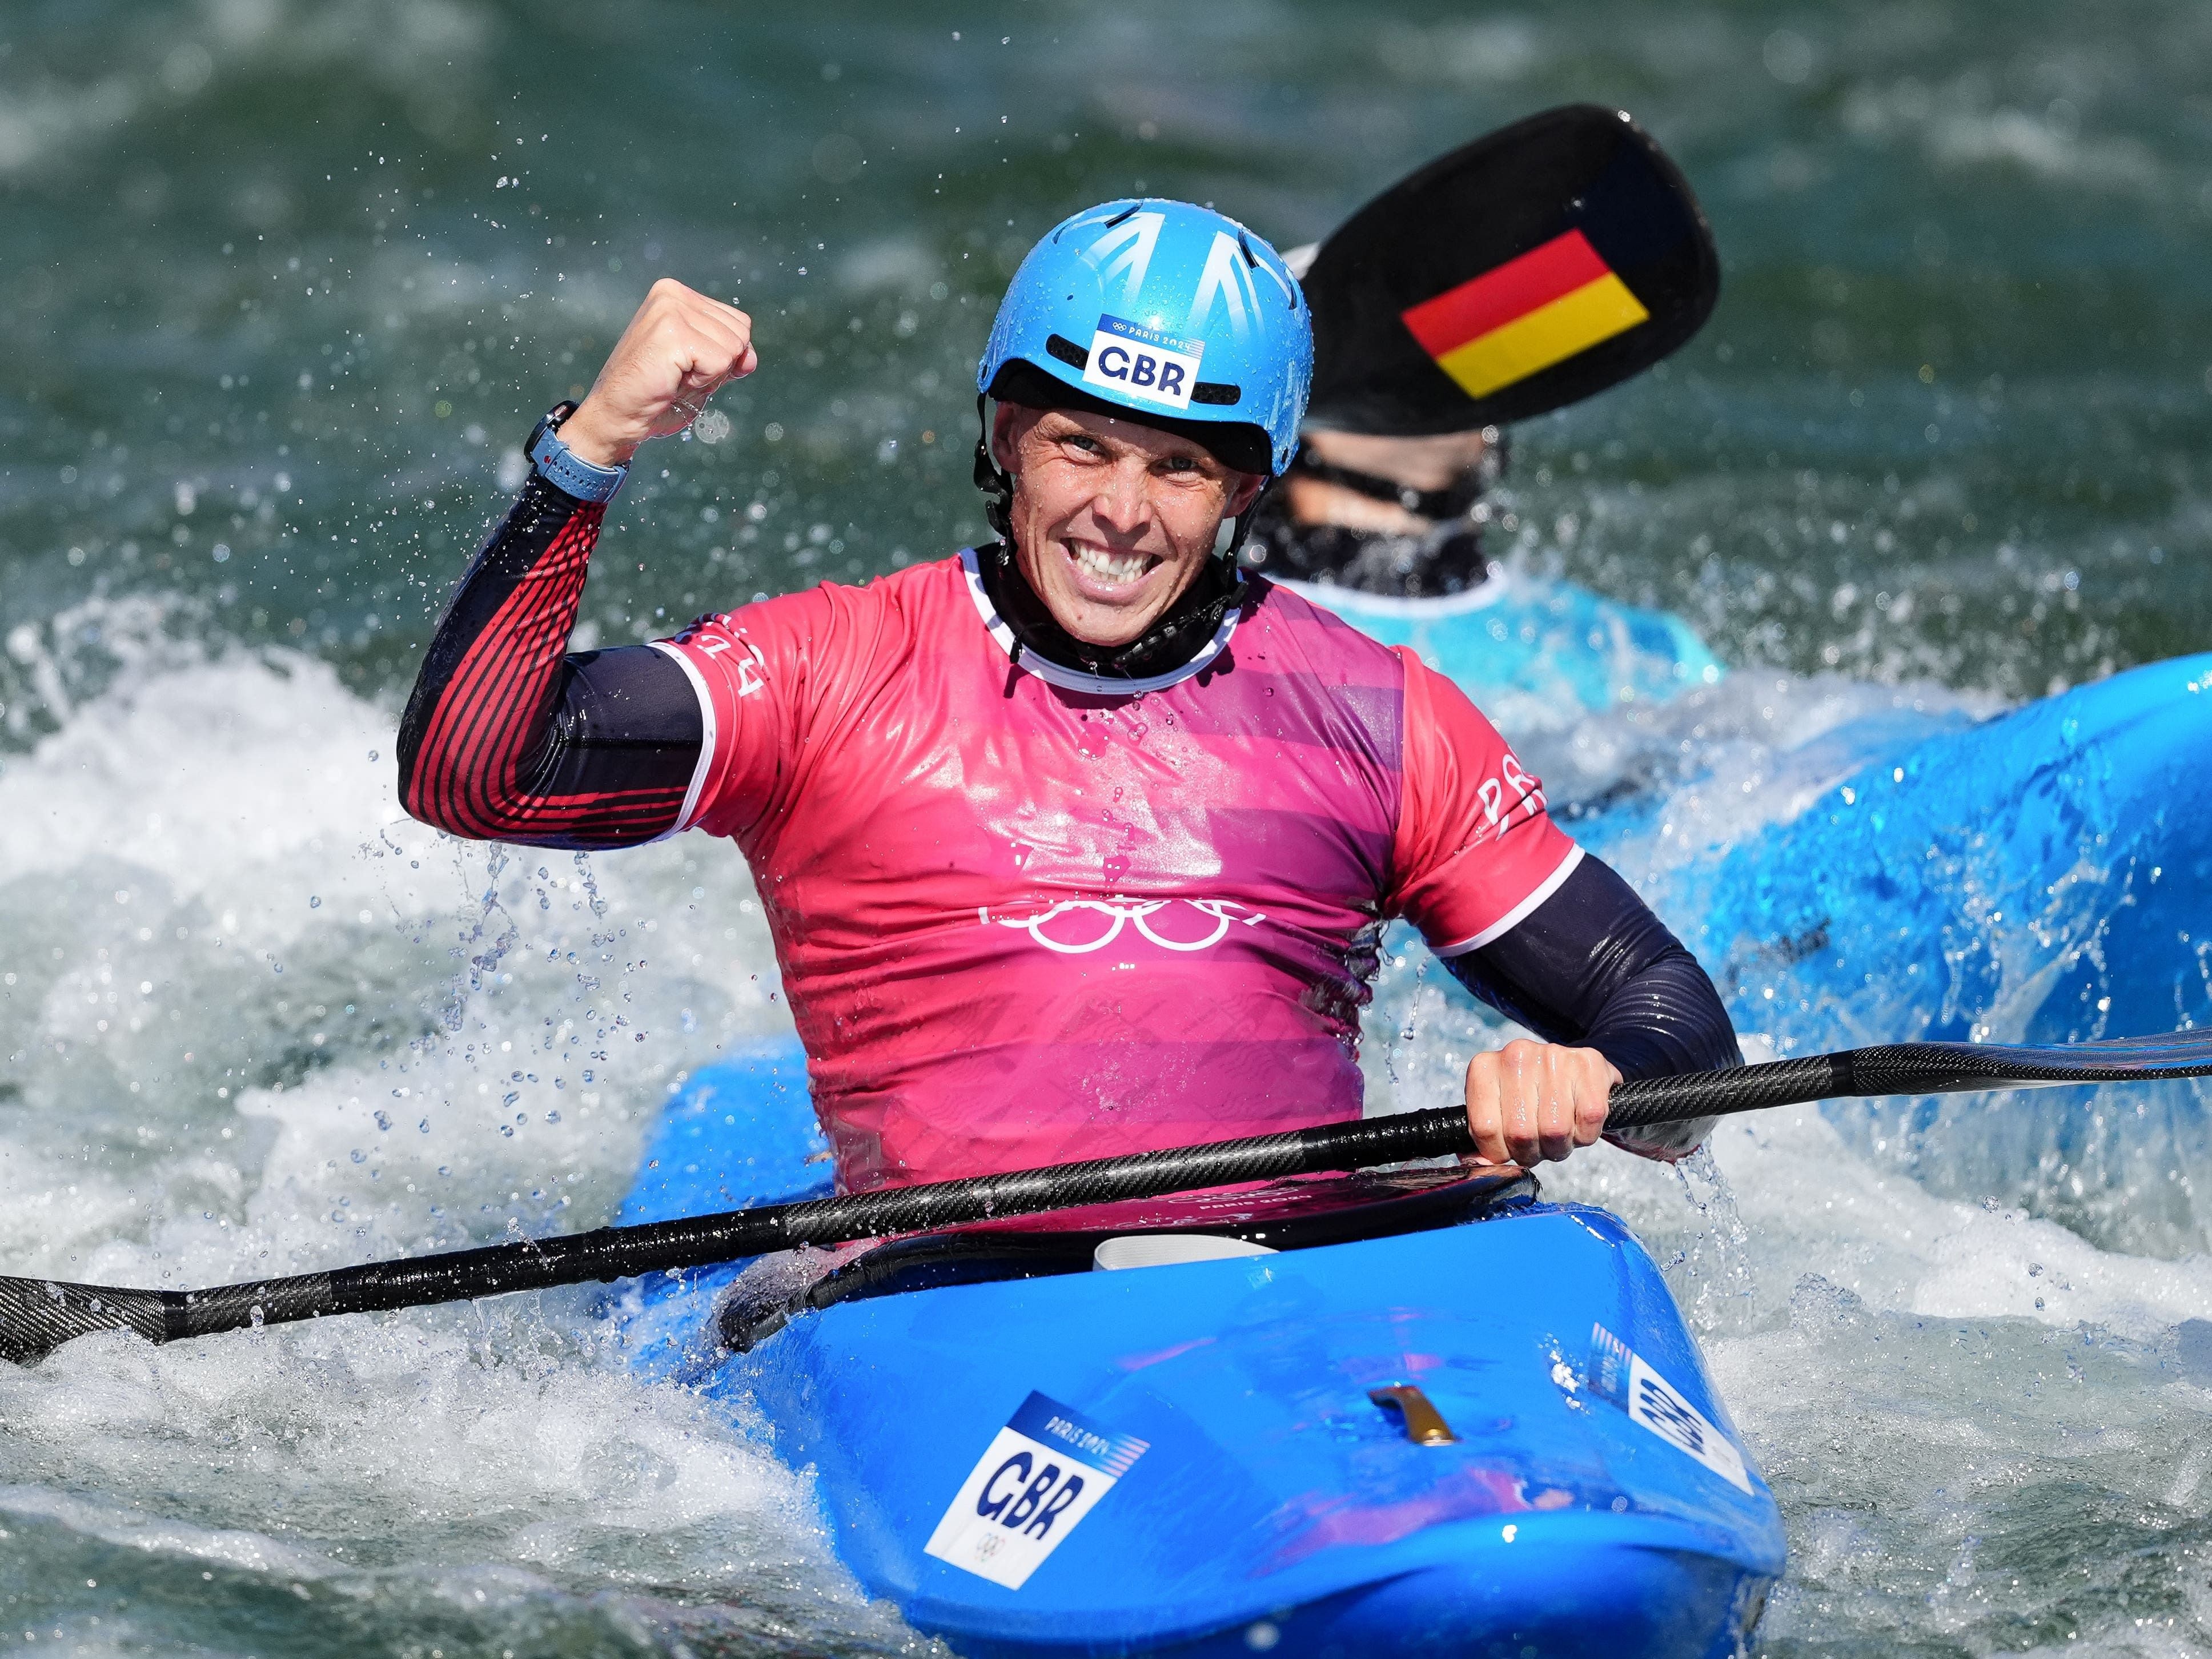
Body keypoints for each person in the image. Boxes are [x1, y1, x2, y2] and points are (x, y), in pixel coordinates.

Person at [396, 199, 1736, 1194]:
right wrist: (589, 453)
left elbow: (1667, 1013)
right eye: (1079, 445)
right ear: (1001, 441)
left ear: (1243, 491)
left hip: (1300, 1286)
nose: (1118, 511)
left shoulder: (1379, 713)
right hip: (953, 1304)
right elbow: (476, 774)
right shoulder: (825, 672)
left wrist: (1599, 1079)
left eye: (1176, 469)